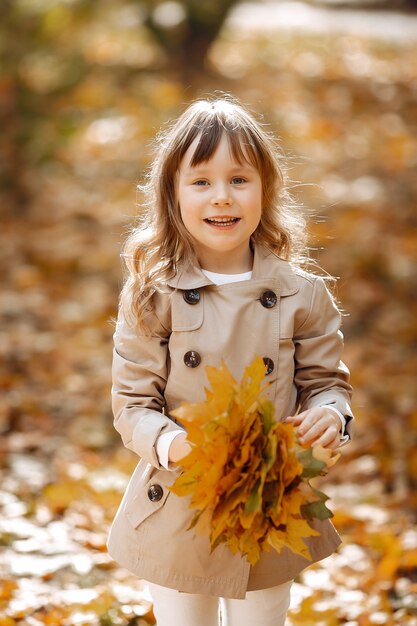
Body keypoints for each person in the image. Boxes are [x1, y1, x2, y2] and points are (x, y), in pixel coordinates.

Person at [106, 94, 354, 626]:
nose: (222, 197)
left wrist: (330, 415)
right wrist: (176, 443)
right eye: (201, 181)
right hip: (181, 496)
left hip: (269, 498)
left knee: (263, 615)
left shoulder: (301, 293)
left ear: (266, 187)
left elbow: (328, 383)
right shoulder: (154, 294)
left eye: (239, 179)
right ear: (172, 193)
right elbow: (132, 404)